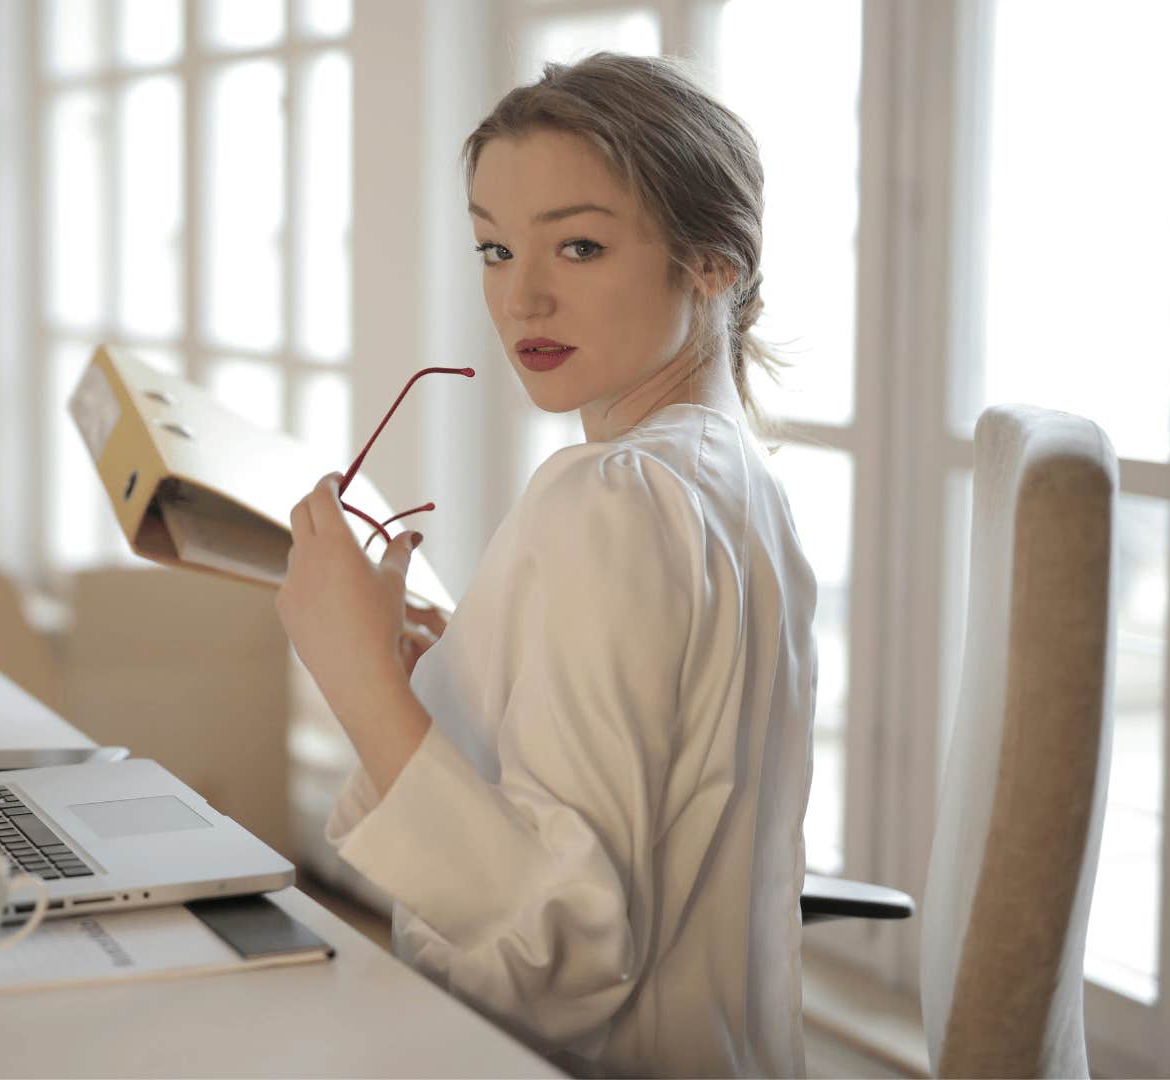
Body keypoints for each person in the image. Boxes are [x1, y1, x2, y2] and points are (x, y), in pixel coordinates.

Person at [276, 52, 817, 1078]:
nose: (521, 298)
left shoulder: (610, 499)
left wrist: (351, 677)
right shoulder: (743, 484)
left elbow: (557, 948)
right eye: (491, 248)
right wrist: (433, 689)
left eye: (577, 246)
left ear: (715, 263)